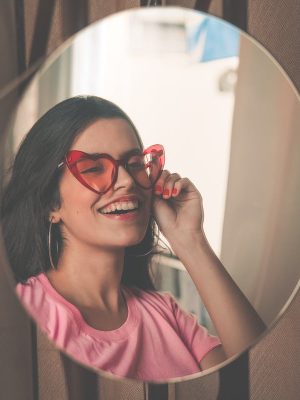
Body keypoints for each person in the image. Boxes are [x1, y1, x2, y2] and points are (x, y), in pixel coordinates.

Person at [1, 95, 265, 382]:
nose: (126, 180)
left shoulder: (166, 313)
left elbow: (261, 378)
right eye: (93, 168)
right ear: (51, 205)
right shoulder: (19, 314)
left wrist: (190, 240)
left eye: (135, 163)